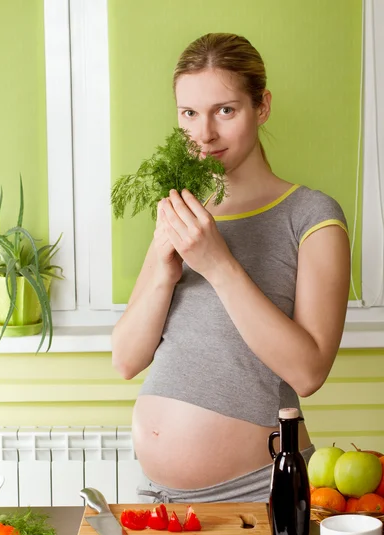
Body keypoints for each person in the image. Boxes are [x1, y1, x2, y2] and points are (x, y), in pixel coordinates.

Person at [112, 33, 351, 504]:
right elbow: (126, 359)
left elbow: (308, 372)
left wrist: (218, 265)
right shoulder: (183, 212)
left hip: (258, 492)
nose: (204, 134)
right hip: (158, 496)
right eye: (189, 113)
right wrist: (164, 268)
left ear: (261, 106)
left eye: (225, 110)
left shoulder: (311, 216)